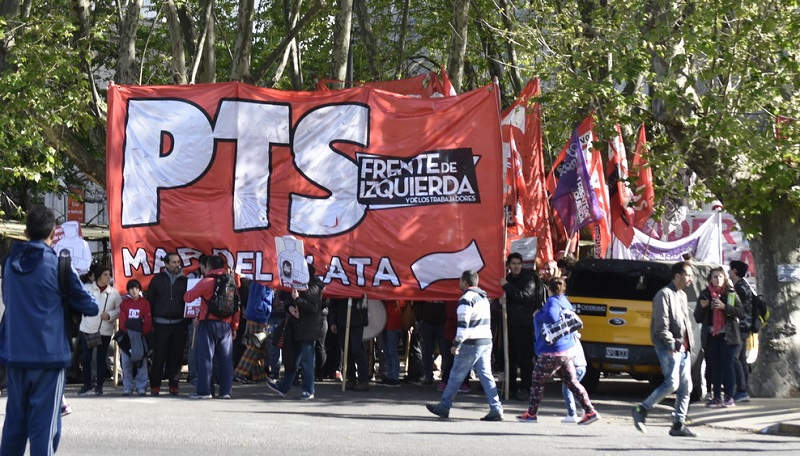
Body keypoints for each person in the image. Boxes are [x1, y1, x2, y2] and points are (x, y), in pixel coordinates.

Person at [0, 205, 98, 455]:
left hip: (15, 353)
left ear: (25, 231)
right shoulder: (58, 266)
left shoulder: (10, 264)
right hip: (48, 355)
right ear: (54, 234)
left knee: (14, 424)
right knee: (44, 426)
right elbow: (90, 306)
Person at [516, 277, 599, 425]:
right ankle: (590, 411)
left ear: (549, 289)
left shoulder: (552, 301)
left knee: (536, 381)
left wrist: (538, 314)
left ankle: (531, 414)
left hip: (551, 350)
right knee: (573, 383)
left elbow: (552, 317)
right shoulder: (565, 302)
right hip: (565, 350)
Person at [426, 270, 503, 421]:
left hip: (471, 342)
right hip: (485, 340)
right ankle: (496, 407)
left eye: (460, 281)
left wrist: (456, 343)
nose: (459, 283)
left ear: (464, 282)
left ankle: (445, 405)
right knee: (486, 376)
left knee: (455, 376)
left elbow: (463, 325)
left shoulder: (466, 299)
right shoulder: (483, 298)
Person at [632, 261, 697, 437]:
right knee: (672, 383)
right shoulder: (664, 295)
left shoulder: (682, 295)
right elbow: (661, 325)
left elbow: (685, 323)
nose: (691, 278)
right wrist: (670, 344)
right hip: (668, 347)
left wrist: (687, 345)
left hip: (682, 349)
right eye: (688, 275)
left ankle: (678, 424)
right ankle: (641, 409)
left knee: (686, 387)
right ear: (677, 276)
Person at [183, 255, 241, 399]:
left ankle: (204, 391)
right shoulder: (231, 283)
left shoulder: (206, 281)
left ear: (209, 266)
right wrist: (234, 326)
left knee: (205, 358)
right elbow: (237, 307)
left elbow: (188, 297)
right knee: (226, 359)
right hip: (226, 325)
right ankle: (226, 391)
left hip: (208, 323)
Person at [267, 262, 324, 400]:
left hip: (308, 328)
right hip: (296, 326)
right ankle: (284, 387)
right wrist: (290, 307)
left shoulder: (314, 286)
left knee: (307, 360)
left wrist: (297, 299)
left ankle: (308, 389)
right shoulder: (297, 284)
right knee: (292, 359)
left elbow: (312, 307)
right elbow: (285, 298)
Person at [695, 266, 743, 408]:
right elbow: (697, 317)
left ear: (725, 279)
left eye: (721, 277)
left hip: (728, 336)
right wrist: (703, 308)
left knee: (728, 366)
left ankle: (729, 396)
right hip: (712, 336)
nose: (718, 279)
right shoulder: (705, 294)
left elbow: (740, 312)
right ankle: (716, 397)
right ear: (710, 279)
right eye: (715, 277)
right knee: (715, 367)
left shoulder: (731, 294)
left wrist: (724, 307)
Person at [500, 252, 544, 401]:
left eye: (518, 263)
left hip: (524, 325)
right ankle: (511, 387)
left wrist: (506, 287)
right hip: (510, 324)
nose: (516, 266)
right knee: (509, 358)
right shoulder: (506, 279)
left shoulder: (528, 279)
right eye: (513, 264)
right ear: (508, 265)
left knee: (524, 359)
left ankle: (526, 387)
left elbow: (524, 295)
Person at [147, 252, 189, 396]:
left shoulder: (185, 281)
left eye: (178, 262)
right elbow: (150, 301)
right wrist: (150, 322)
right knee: (159, 356)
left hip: (179, 324)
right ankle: (155, 385)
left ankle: (174, 384)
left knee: (176, 356)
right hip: (160, 324)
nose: (177, 265)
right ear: (166, 264)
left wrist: (187, 321)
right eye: (174, 262)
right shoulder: (157, 280)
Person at [77, 265, 122, 396]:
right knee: (86, 358)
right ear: (98, 276)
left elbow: (119, 309)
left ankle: (99, 386)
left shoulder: (113, 292)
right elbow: (79, 302)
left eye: (109, 275)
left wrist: (110, 315)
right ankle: (87, 384)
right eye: (105, 275)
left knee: (101, 358)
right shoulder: (87, 288)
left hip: (104, 330)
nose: (108, 277)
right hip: (87, 328)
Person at [234, 281, 273, 383]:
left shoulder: (257, 281)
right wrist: (263, 318)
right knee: (255, 346)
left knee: (258, 347)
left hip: (253, 316)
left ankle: (259, 375)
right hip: (258, 317)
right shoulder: (263, 283)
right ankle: (240, 373)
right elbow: (258, 303)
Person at [119, 279, 153, 396]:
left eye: (136, 288)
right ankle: (127, 386)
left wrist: (138, 328)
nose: (134, 290)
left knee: (141, 362)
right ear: (128, 290)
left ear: (140, 290)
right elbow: (123, 323)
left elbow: (147, 322)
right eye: (132, 288)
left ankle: (141, 386)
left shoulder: (145, 303)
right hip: (127, 337)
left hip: (141, 337)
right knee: (126, 363)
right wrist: (137, 323)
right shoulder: (124, 304)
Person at [329, 296, 370, 391]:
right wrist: (333, 322)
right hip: (342, 320)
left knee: (357, 350)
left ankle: (363, 380)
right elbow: (333, 303)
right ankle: (351, 378)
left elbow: (364, 299)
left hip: (357, 319)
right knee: (346, 350)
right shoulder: (340, 284)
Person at [728, 260, 753, 402]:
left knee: (735, 357)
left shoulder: (740, 288)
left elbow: (735, 308)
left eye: (730, 269)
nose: (728, 272)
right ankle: (743, 389)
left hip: (740, 327)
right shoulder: (743, 285)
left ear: (735, 271)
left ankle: (741, 390)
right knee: (742, 359)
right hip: (745, 327)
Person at [416, 300, 447, 386]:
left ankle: (445, 377)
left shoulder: (445, 288)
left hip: (441, 322)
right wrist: (420, 317)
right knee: (427, 351)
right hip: (427, 321)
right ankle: (428, 376)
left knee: (444, 351)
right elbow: (418, 301)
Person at [378, 300, 405, 387]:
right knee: (386, 351)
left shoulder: (398, 294)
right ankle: (390, 376)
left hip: (393, 323)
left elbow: (402, 305)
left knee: (392, 351)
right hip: (385, 322)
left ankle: (395, 377)